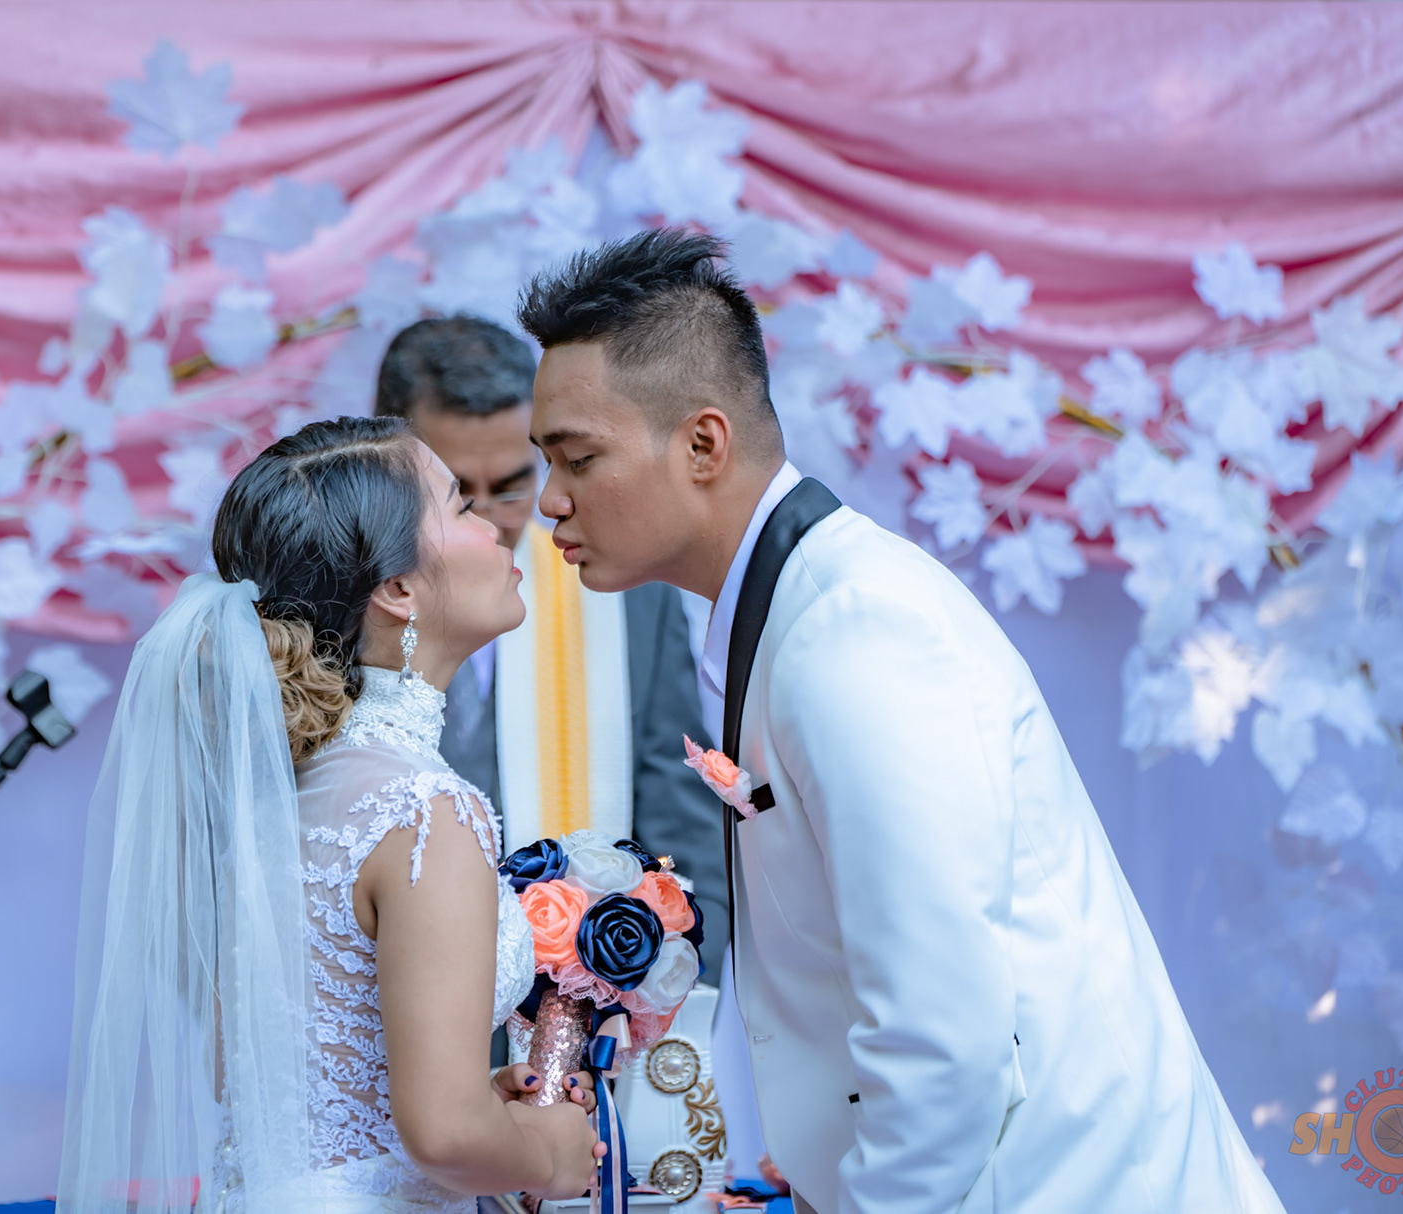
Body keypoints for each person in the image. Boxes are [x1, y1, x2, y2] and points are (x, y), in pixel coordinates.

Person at [517, 230, 1286, 1214]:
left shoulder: (856, 630)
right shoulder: (794, 605)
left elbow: (942, 1032)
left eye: (578, 458)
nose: (550, 500)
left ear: (703, 444)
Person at [57, 416, 604, 1214]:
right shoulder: (422, 809)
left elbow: (267, 1074)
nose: (494, 527)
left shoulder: (289, 789)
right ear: (399, 589)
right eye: (459, 506)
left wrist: (474, 1100)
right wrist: (547, 1152)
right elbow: (446, 1136)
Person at [374, 317, 728, 987]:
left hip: (584, 1015)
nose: (488, 523)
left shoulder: (624, 598)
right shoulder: (334, 614)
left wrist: (673, 1008)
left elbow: (683, 838)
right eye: (457, 496)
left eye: (512, 486)